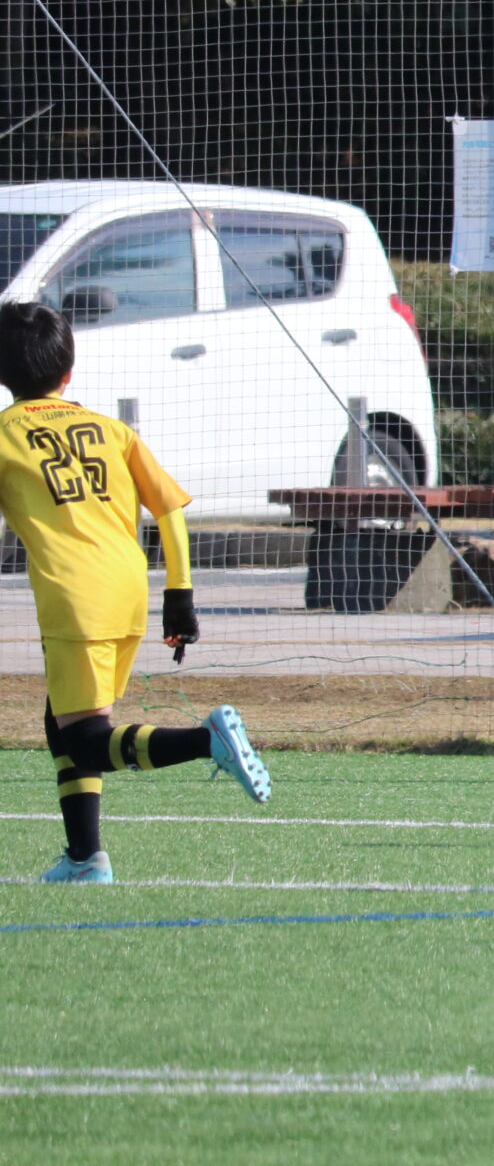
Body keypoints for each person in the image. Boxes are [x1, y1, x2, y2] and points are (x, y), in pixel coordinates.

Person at [0, 302, 270, 884]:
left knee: (86, 740)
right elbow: (168, 507)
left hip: (73, 599)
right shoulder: (113, 430)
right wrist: (179, 593)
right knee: (62, 720)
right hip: (129, 590)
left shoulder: (5, 434)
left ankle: (207, 741)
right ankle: (85, 859)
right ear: (68, 371)